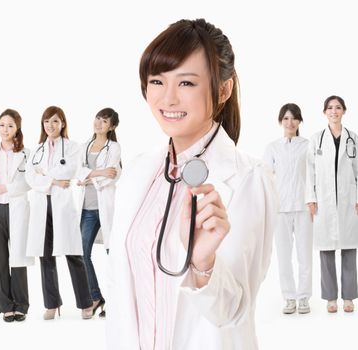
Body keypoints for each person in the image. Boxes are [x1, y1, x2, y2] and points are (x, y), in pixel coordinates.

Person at [106, 19, 275, 349]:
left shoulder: (248, 179)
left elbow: (234, 312)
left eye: (186, 83)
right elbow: (120, 294)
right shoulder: (138, 172)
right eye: (157, 81)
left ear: (222, 90)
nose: (168, 98)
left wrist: (203, 265)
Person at [25, 106, 93, 320]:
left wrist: (43, 175)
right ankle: (52, 304)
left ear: (62, 123)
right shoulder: (36, 150)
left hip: (62, 206)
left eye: (55, 121)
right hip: (40, 205)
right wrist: (53, 180)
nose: (50, 125)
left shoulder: (73, 148)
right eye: (46, 121)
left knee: (73, 254)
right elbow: (29, 177)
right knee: (45, 256)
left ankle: (86, 303)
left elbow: (70, 171)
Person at [305, 95, 358, 313]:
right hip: (323, 200)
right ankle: (331, 298)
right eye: (330, 108)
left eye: (338, 107)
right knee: (325, 249)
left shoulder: (353, 138)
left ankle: (349, 297)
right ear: (325, 112)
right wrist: (311, 198)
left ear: (344, 111)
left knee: (349, 248)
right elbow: (310, 173)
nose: (334, 111)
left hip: (347, 200)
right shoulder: (316, 139)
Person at [0, 109, 33, 322]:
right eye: (2, 125)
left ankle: (21, 304)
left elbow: (28, 182)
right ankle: (6, 305)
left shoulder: (26, 154)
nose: (5, 129)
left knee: (17, 258)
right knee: (0, 259)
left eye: (10, 125)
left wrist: (7, 188)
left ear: (17, 128)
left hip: (16, 207)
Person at [263, 103, 312, 314]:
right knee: (284, 255)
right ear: (280, 121)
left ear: (299, 121)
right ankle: (289, 297)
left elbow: (314, 176)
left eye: (293, 118)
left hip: (304, 206)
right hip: (280, 208)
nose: (289, 122)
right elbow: (265, 176)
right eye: (285, 118)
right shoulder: (273, 147)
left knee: (304, 255)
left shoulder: (308, 145)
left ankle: (304, 298)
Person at [76, 107, 121, 317]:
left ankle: (118, 301)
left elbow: (111, 176)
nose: (99, 123)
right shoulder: (84, 146)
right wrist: (99, 172)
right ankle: (95, 297)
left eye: (104, 121)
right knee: (82, 254)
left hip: (106, 207)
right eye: (97, 118)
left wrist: (90, 175)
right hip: (86, 208)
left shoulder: (114, 147)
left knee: (113, 254)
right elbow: (79, 173)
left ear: (111, 126)